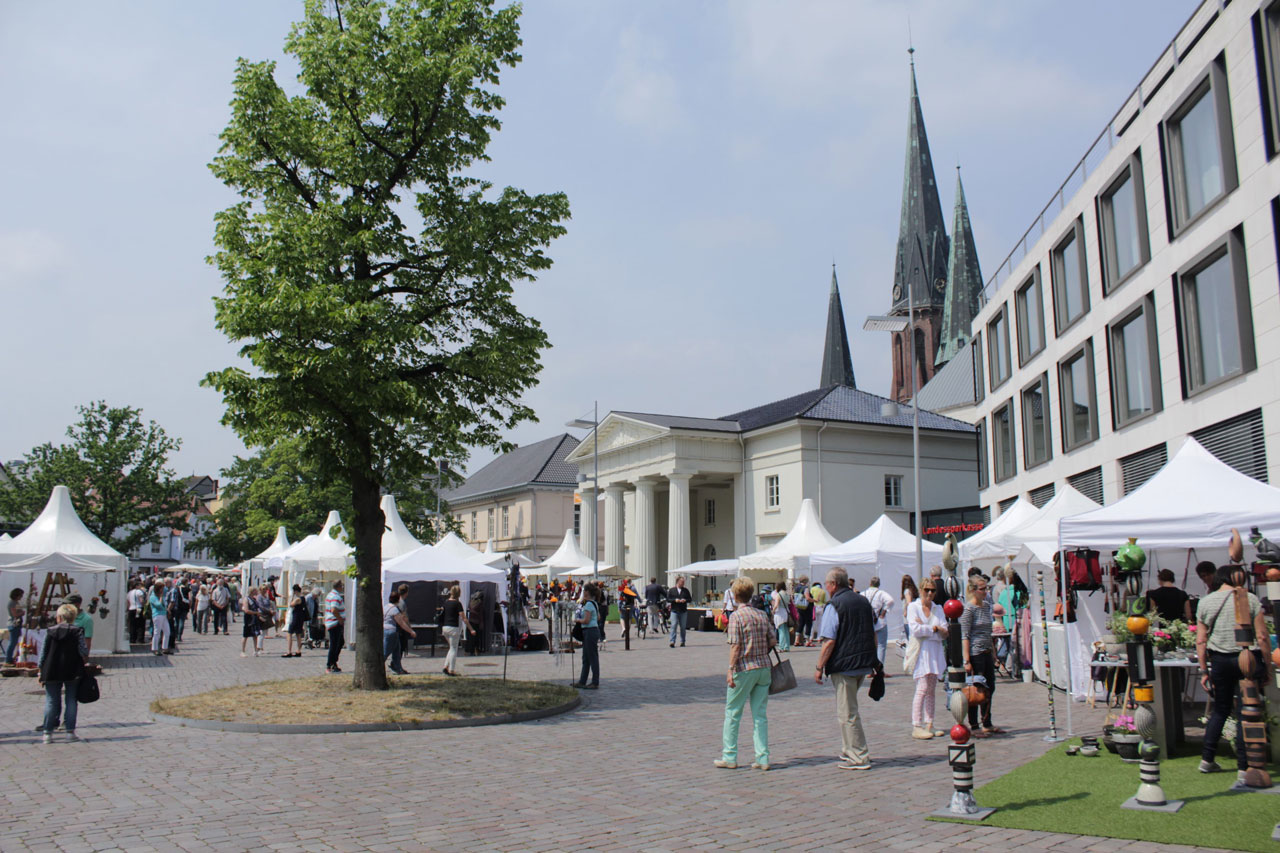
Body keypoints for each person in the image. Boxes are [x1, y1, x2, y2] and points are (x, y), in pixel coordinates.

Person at [1196, 565, 1273, 782]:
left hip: (1219, 660)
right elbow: (1262, 635)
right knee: (1245, 710)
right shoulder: (1249, 599)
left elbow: (1201, 640)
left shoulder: (1206, 601)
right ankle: (1243, 764)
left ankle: (1207, 758)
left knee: (1220, 708)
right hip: (1247, 657)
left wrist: (1203, 670)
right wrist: (1267, 666)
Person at [813, 567, 878, 770]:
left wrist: (819, 666)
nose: (825, 587)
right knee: (848, 708)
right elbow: (873, 633)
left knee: (847, 713)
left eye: (826, 583)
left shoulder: (835, 605)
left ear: (833, 585)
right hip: (862, 662)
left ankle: (858, 756)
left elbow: (829, 640)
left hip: (844, 664)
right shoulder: (863, 600)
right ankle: (848, 748)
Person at [715, 577, 776, 770]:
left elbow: (735, 646)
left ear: (734, 595)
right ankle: (763, 757)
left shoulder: (736, 617)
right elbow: (773, 641)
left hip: (744, 668)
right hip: (764, 667)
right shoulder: (761, 615)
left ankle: (730, 756)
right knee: (760, 714)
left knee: (733, 713)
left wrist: (730, 669)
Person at [38, 603, 88, 744]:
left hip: (51, 668)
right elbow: (83, 651)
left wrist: (40, 669)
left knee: (51, 700)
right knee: (71, 699)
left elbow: (43, 652)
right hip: (72, 668)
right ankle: (70, 732)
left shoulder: (50, 631)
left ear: (59, 617)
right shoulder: (77, 631)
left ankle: (47, 733)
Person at [959, 576, 1001, 736]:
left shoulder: (987, 606)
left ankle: (987, 722)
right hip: (975, 653)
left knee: (990, 687)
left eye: (986, 588)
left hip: (987, 651)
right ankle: (974, 724)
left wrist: (994, 653)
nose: (986, 592)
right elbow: (965, 635)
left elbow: (988, 633)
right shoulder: (968, 609)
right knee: (975, 689)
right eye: (982, 589)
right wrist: (966, 659)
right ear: (973, 590)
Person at [907, 579, 948, 739]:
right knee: (922, 688)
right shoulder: (913, 607)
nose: (930, 593)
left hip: (935, 651)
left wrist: (934, 629)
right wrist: (935, 629)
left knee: (931, 690)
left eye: (932, 590)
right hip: (922, 651)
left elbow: (945, 630)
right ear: (921, 590)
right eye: (926, 590)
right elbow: (915, 630)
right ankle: (916, 724)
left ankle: (929, 722)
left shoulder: (938, 608)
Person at [571, 582, 602, 689]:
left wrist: (577, 620)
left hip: (589, 631)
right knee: (586, 657)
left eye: (584, 591)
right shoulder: (594, 603)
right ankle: (582, 681)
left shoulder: (588, 604)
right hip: (592, 630)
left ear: (587, 592)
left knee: (592, 657)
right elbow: (598, 617)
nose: (583, 593)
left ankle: (595, 681)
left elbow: (586, 620)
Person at [439, 585, 474, 676]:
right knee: (454, 649)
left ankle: (445, 667)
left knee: (451, 648)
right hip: (453, 628)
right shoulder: (457, 604)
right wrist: (471, 629)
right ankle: (451, 669)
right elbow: (464, 618)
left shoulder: (446, 602)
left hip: (445, 628)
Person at [382, 591, 416, 675]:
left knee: (397, 651)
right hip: (391, 632)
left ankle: (398, 668)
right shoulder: (394, 610)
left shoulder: (385, 607)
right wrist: (411, 631)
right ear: (397, 600)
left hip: (385, 630)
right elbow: (401, 623)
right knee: (386, 651)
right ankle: (377, 666)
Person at [865, 577, 893, 670]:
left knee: (869, 645)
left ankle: (869, 669)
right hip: (880, 622)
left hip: (868, 622)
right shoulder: (881, 593)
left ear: (870, 583)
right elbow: (890, 600)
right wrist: (884, 611)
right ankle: (879, 669)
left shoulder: (863, 593)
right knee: (881, 646)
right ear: (879, 584)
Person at [324, 580, 345, 674]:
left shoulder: (330, 594)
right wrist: (340, 618)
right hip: (334, 622)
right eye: (342, 586)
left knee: (339, 642)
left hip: (331, 622)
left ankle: (333, 662)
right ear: (339, 586)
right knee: (334, 644)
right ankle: (330, 664)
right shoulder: (336, 596)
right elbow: (333, 609)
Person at [284, 585, 308, 657]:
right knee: (298, 634)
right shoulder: (303, 598)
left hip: (296, 617)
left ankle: (289, 651)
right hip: (300, 617)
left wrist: (292, 598)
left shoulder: (298, 599)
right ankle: (298, 650)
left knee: (289, 633)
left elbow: (291, 604)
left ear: (295, 591)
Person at [668, 575, 692, 647]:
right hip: (674, 610)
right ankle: (672, 641)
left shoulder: (685, 590)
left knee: (683, 627)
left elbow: (690, 599)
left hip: (683, 610)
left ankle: (682, 641)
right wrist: (675, 600)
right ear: (678, 582)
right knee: (673, 625)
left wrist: (685, 600)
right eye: (682, 582)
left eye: (683, 582)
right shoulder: (672, 590)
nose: (683, 583)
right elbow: (668, 599)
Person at [149, 581, 169, 656]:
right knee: (157, 632)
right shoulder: (153, 597)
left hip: (163, 614)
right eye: (162, 588)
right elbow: (159, 605)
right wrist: (160, 597)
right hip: (157, 615)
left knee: (167, 631)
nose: (163, 590)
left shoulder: (162, 596)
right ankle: (155, 648)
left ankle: (165, 648)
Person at [6, 588, 25, 664]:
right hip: (14, 624)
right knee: (12, 642)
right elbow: (14, 614)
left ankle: (12, 657)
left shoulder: (15, 602)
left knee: (15, 642)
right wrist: (22, 613)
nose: (21, 597)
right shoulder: (12, 603)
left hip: (17, 624)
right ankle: (8, 659)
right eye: (20, 595)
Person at [792, 576, 813, 647]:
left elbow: (793, 597)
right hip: (806, 608)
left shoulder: (796, 588)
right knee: (808, 623)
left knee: (801, 623)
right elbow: (807, 598)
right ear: (806, 581)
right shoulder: (805, 588)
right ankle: (807, 641)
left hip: (799, 607)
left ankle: (796, 640)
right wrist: (815, 600)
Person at [770, 582, 791, 652]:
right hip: (786, 612)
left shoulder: (779, 595)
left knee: (781, 630)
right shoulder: (787, 594)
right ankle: (787, 646)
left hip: (780, 613)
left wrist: (773, 611)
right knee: (786, 630)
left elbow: (776, 605)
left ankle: (781, 647)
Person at [808, 578, 828, 645]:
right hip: (821, 607)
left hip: (814, 607)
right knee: (820, 623)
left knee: (812, 623)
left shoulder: (812, 589)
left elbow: (809, 597)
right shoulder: (823, 591)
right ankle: (819, 637)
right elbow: (825, 601)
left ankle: (811, 637)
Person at [900, 575, 919, 642]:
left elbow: (908, 602)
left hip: (908, 619)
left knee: (910, 639)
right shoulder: (914, 591)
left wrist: (905, 611)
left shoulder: (907, 591)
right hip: (914, 617)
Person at [126, 581, 145, 645]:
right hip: (138, 608)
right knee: (140, 624)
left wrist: (128, 609)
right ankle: (140, 639)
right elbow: (141, 600)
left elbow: (128, 602)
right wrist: (144, 605)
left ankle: (132, 639)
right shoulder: (139, 592)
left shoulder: (129, 593)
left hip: (131, 608)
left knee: (132, 625)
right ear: (136, 586)